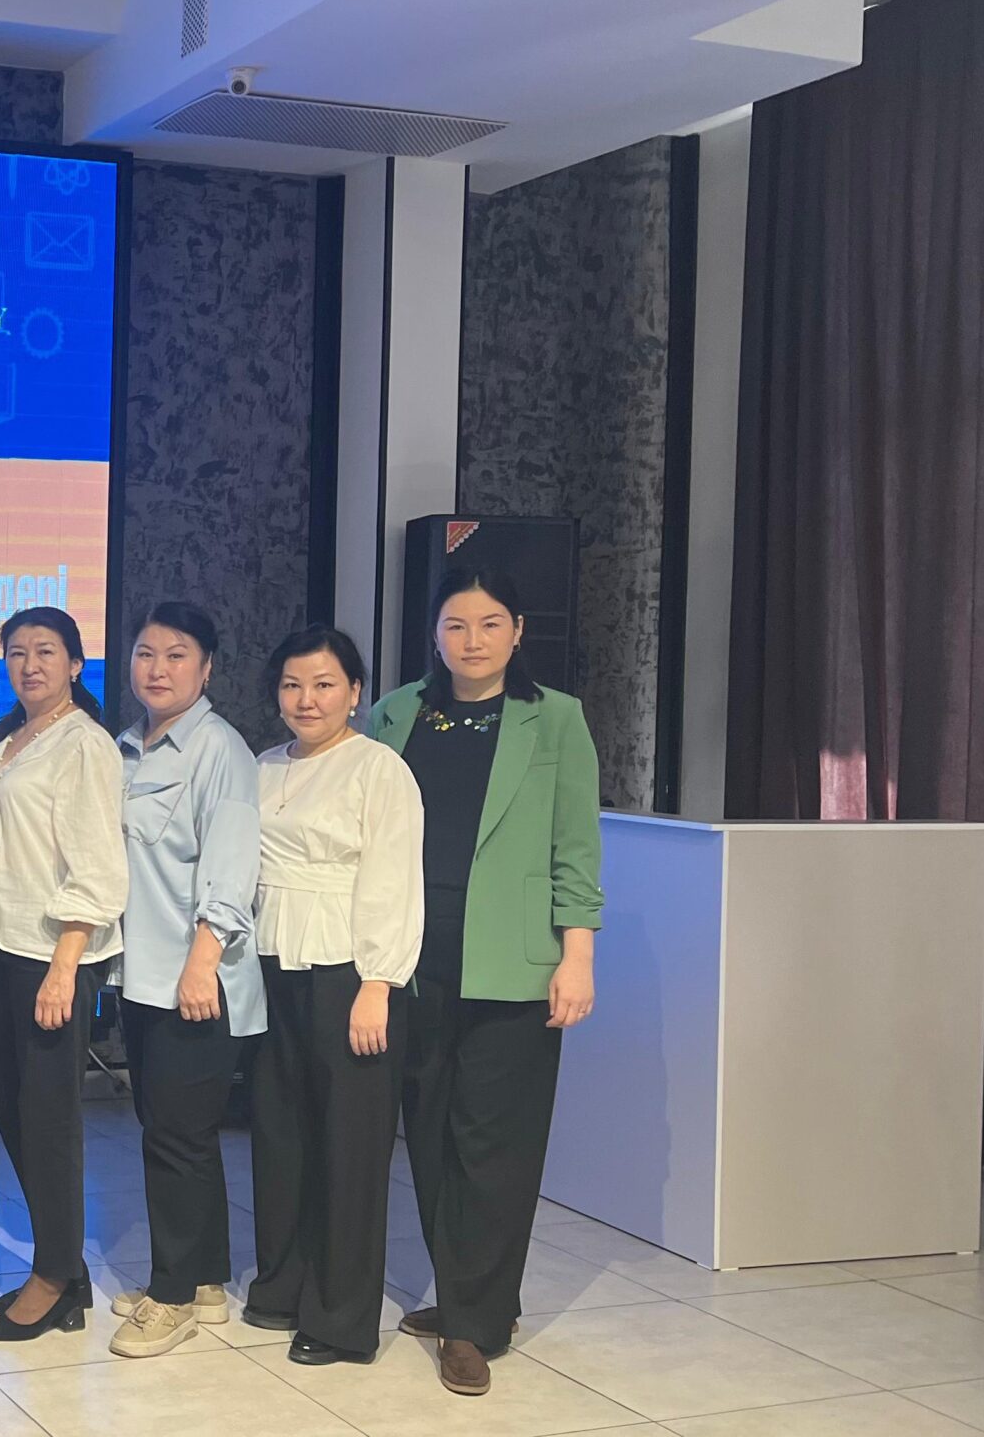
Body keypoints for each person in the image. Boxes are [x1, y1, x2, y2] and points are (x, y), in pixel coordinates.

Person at [371, 567, 603, 1397]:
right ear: (434, 634)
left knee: (496, 1148)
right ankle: (470, 1295)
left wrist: (577, 955)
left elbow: (576, 844)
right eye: (456, 625)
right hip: (415, 961)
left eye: (490, 623)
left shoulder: (556, 718)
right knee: (431, 1139)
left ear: (517, 631)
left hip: (515, 962)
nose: (472, 640)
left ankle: (472, 1324)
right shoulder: (396, 712)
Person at [246, 626, 423, 1367]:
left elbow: (393, 880)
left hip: (350, 970)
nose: (306, 699)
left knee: (350, 1147)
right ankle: (282, 1283)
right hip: (272, 961)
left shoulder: (379, 769)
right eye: (292, 685)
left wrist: (378, 982)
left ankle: (343, 1317)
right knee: (280, 1132)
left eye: (324, 685)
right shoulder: (263, 765)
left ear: (355, 692)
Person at [106, 601, 263, 1359]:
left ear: (206, 669)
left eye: (176, 655)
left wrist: (203, 963)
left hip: (196, 977)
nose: (158, 668)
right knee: (175, 1132)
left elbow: (232, 866)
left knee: (176, 1137)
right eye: (146, 653)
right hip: (141, 975)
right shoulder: (125, 747)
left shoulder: (219, 749)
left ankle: (169, 1297)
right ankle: (203, 1280)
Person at [0, 607, 128, 1343]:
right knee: (13, 1111)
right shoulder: (8, 739)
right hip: (3, 947)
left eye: (45, 651)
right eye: (16, 652)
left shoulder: (84, 744)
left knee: (49, 1120)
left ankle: (55, 1276)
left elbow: (97, 863)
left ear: (75, 664)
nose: (29, 665)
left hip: (54, 955)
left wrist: (65, 966)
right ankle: (62, 1265)